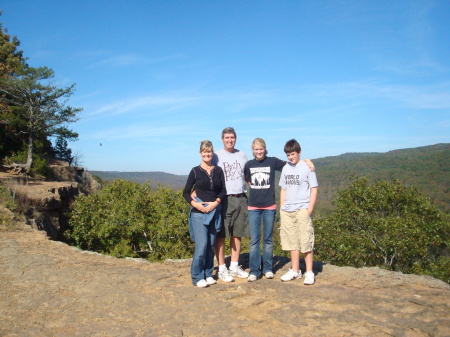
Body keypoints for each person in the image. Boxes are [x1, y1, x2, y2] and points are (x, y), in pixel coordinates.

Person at [244, 138, 315, 282]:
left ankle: (268, 268)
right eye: (256, 149)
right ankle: (254, 270)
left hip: (270, 205)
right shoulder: (249, 164)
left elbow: (292, 163)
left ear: (265, 149)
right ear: (253, 150)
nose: (259, 151)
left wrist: (307, 160)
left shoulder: (272, 161)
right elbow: (247, 179)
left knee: (268, 239)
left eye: (261, 148)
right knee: (254, 240)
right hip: (253, 206)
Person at [183, 140, 227, 288]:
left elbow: (222, 191)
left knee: (210, 245)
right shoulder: (195, 171)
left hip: (214, 211)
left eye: (209, 152)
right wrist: (196, 204)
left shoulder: (218, 171)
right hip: (198, 213)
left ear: (212, 153)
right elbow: (186, 192)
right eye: (204, 152)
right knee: (201, 245)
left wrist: (215, 203)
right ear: (200, 153)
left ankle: (208, 274)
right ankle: (197, 277)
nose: (207, 154)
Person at [278, 139, 318, 285]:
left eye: (292, 154)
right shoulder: (286, 168)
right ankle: (295, 270)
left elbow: (314, 188)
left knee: (306, 241)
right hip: (287, 210)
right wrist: (282, 207)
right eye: (288, 154)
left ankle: (309, 272)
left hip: (302, 208)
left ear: (299, 153)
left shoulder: (307, 167)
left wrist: (310, 209)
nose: (290, 157)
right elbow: (283, 188)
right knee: (292, 242)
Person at [212, 127, 249, 282]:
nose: (230, 140)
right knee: (221, 235)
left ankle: (234, 266)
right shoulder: (216, 156)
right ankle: (221, 268)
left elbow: (248, 176)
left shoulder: (242, 155)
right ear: (222, 139)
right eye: (227, 137)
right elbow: (207, 172)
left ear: (236, 138)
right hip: (224, 198)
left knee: (237, 233)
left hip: (241, 197)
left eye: (232, 137)